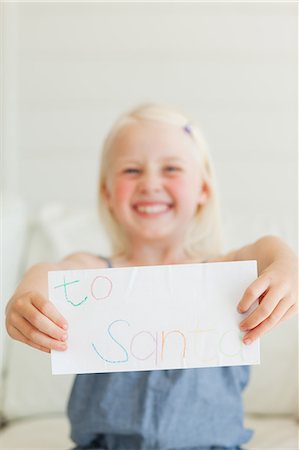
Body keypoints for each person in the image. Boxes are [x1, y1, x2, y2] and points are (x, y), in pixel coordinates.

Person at [5, 103, 297, 450]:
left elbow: (267, 249)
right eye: (131, 170)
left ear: (204, 188)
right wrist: (28, 293)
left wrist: (286, 266)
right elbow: (50, 274)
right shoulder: (94, 272)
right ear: (107, 193)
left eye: (171, 168)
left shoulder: (223, 271)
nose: (150, 184)